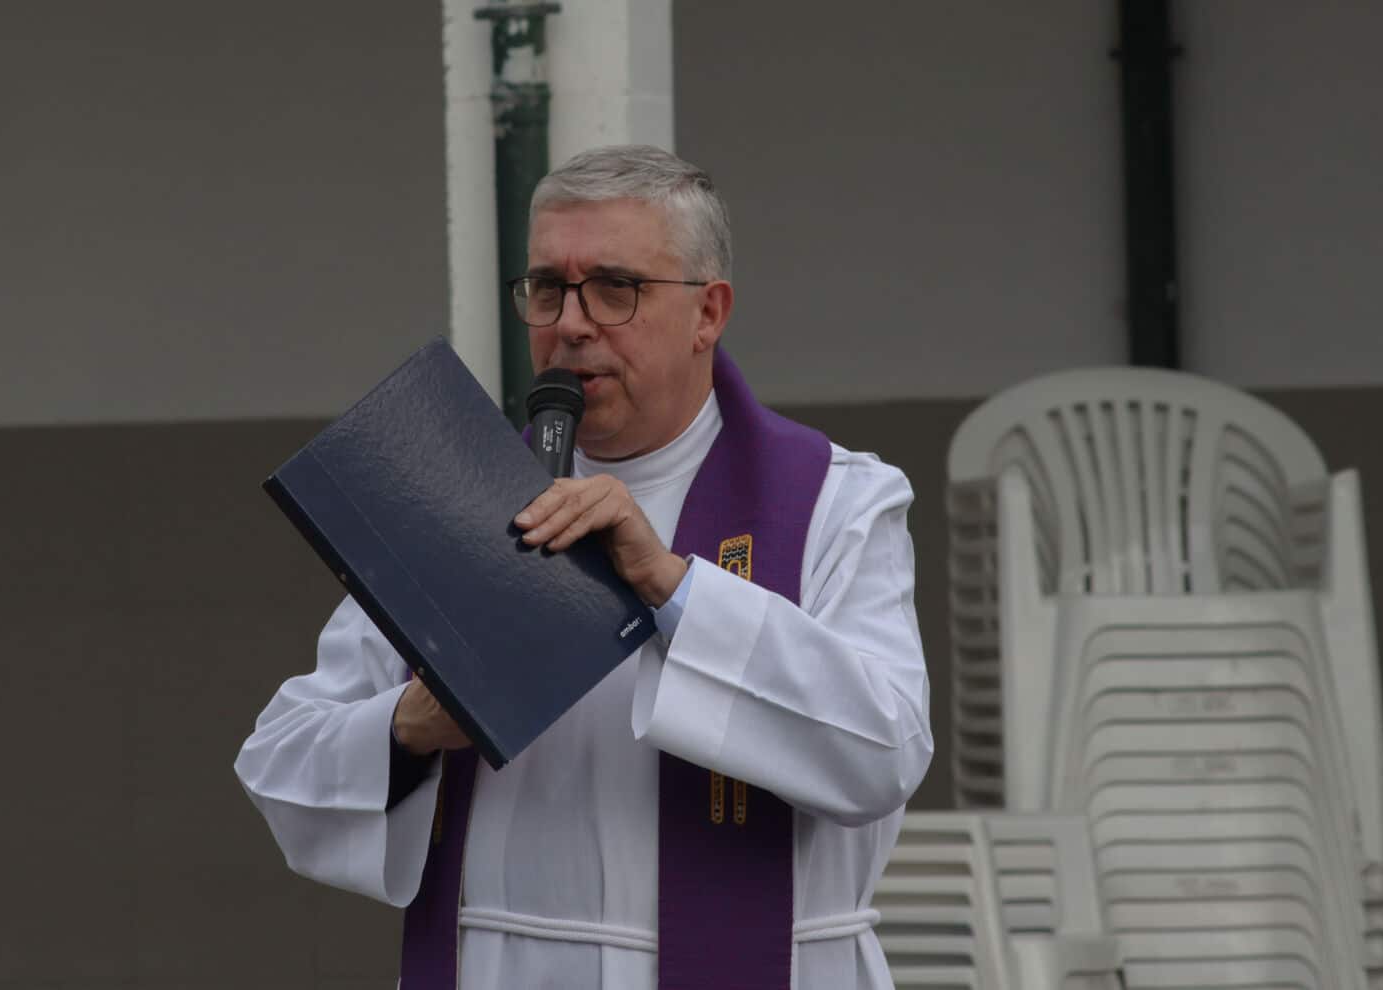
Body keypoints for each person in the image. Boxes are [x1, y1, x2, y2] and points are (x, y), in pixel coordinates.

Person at [235, 145, 933, 990]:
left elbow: (885, 754)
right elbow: (280, 766)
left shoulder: (834, 500)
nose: (571, 323)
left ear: (708, 312)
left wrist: (673, 589)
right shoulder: (452, 507)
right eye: (547, 288)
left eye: (614, 287)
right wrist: (410, 727)